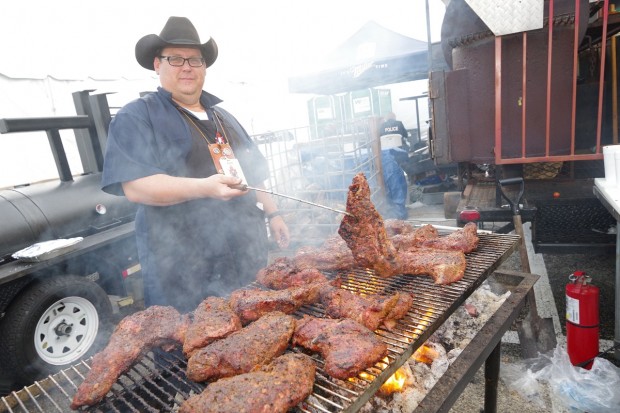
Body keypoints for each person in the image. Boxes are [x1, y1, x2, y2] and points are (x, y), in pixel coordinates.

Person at [101, 16, 290, 313]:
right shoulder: (137, 117)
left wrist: (274, 213)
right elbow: (137, 187)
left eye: (195, 59)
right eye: (175, 59)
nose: (187, 66)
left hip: (243, 251)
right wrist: (205, 188)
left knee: (251, 330)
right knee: (186, 347)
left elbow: (253, 173)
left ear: (204, 67)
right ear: (157, 64)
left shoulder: (224, 117)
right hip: (180, 263)